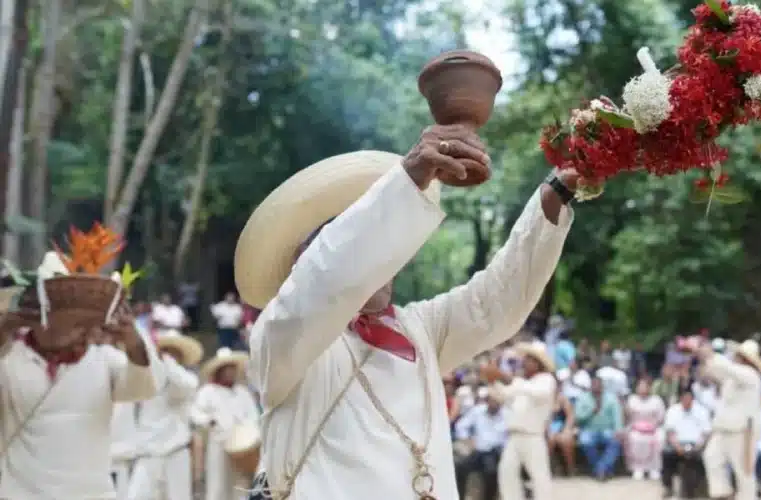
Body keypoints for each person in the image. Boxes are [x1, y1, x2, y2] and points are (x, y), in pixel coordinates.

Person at [237, 133, 577, 500]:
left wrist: (555, 192)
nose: (381, 259)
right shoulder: (280, 333)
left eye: (386, 248)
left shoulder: (420, 327)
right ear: (302, 266)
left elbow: (496, 300)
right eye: (366, 245)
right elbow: (326, 280)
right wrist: (408, 181)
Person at [0, 254, 163, 498]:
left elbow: (145, 388)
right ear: (38, 317)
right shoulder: (9, 360)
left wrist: (133, 341)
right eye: (67, 316)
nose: (80, 327)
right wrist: (4, 329)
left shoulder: (104, 360)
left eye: (81, 320)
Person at [126, 334, 203, 500]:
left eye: (174, 354)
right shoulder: (148, 379)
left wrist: (166, 361)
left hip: (176, 453)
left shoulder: (188, 381)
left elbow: (181, 384)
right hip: (149, 453)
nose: (169, 357)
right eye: (166, 352)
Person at [691, 339, 761, 500]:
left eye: (738, 355)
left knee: (743, 472)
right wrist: (703, 356)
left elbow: (726, 368)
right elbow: (713, 372)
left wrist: (710, 353)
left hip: (742, 430)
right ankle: (723, 494)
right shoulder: (733, 377)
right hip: (723, 428)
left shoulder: (750, 375)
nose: (735, 357)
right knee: (711, 458)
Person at [481, 342, 556, 500]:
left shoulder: (546, 379)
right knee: (506, 472)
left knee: (539, 476)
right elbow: (504, 396)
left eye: (530, 359)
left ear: (538, 363)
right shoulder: (522, 381)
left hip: (533, 436)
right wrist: (491, 381)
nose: (525, 362)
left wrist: (505, 376)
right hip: (514, 437)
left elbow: (538, 393)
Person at [190, 348, 260, 500]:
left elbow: (253, 415)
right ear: (219, 371)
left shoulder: (243, 392)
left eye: (232, 369)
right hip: (219, 444)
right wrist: (209, 421)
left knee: (241, 484)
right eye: (227, 369)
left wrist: (248, 432)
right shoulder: (208, 391)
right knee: (217, 484)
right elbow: (195, 413)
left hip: (242, 447)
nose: (230, 373)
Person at [453, 389, 507, 500]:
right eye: (491, 401)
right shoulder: (478, 411)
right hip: (477, 451)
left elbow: (508, 438)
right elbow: (460, 426)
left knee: (491, 471)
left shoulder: (506, 415)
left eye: (496, 402)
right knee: (459, 467)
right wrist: (468, 439)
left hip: (495, 452)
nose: (493, 404)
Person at [661, 387, 711, 497]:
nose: (687, 401)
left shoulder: (702, 411)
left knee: (705, 455)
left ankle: (701, 489)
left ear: (693, 399)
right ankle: (668, 487)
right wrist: (678, 447)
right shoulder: (673, 410)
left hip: (697, 444)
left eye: (689, 398)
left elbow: (706, 433)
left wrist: (698, 446)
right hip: (677, 444)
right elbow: (670, 433)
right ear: (681, 399)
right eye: (684, 398)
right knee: (666, 453)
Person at [575, 377, 624, 480]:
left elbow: (617, 416)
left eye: (599, 385)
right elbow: (578, 417)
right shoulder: (583, 398)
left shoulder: (611, 398)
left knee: (616, 441)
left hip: (607, 429)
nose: (596, 387)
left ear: (602, 387)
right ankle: (603, 470)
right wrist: (591, 411)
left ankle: (600, 469)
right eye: (594, 385)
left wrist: (618, 430)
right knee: (585, 441)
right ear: (591, 386)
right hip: (588, 429)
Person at [624, 378, 666, 480]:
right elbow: (628, 416)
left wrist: (652, 426)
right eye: (640, 387)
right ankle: (638, 468)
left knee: (660, 438)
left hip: (654, 427)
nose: (643, 390)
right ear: (637, 388)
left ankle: (654, 469)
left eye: (645, 387)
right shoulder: (631, 399)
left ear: (649, 388)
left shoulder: (657, 400)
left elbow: (661, 417)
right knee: (633, 438)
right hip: (635, 427)